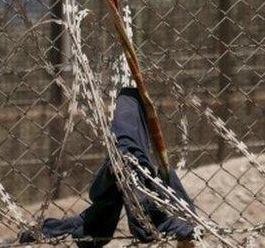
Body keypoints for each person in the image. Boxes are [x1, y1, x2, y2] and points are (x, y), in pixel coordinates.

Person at [22, 87, 196, 247]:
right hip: (139, 185)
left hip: (127, 182)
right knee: (128, 156)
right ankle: (129, 167)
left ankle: (127, 166)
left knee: (125, 160)